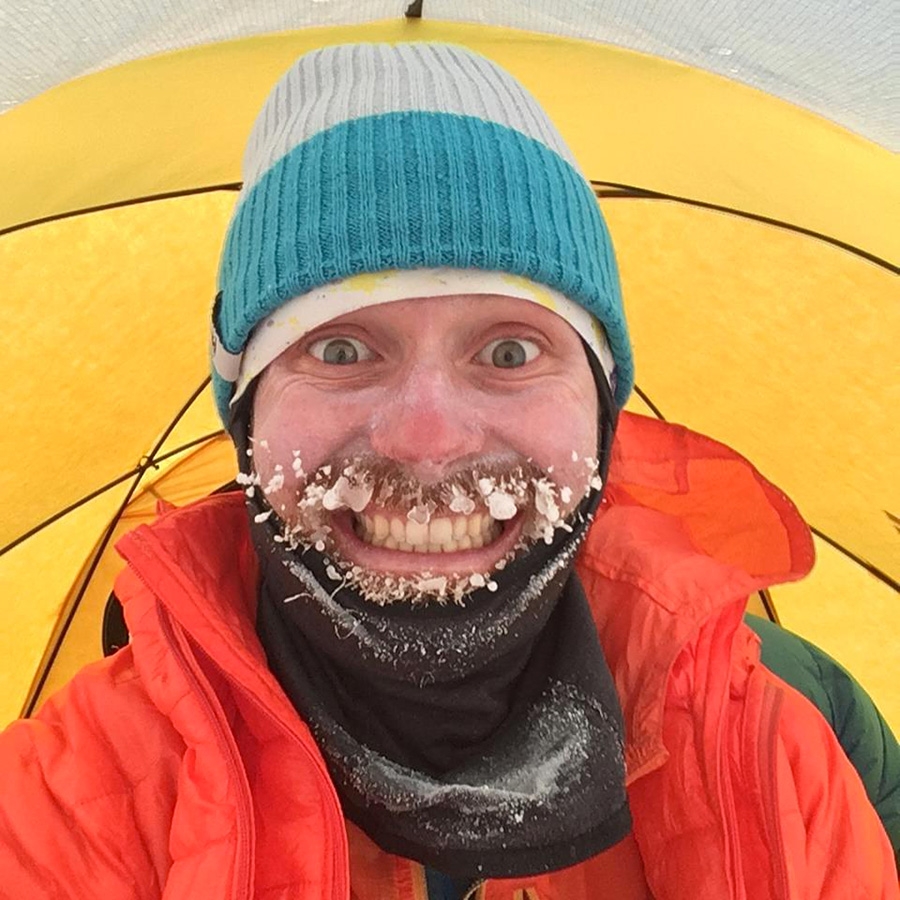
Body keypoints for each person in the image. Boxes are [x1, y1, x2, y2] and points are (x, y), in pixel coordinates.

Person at [0, 42, 896, 900]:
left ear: (602, 413)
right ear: (247, 419)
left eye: (510, 351)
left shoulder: (773, 762)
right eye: (342, 347)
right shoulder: (58, 814)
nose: (428, 440)